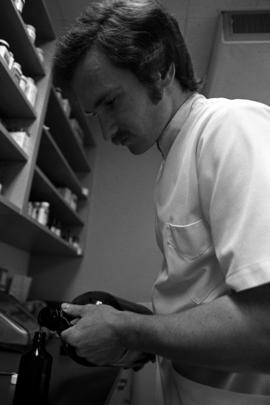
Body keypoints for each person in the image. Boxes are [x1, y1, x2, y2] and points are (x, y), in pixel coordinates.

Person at [53, 0, 270, 403]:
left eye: (111, 102)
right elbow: (199, 302)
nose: (105, 129)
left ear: (161, 71)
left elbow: (265, 325)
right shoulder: (171, 164)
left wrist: (130, 330)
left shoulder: (229, 129)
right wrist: (131, 332)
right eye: (93, 112)